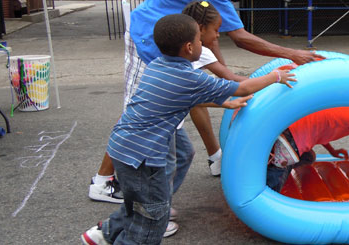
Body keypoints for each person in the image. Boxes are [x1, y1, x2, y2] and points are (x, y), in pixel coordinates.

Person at [81, 14, 296, 245]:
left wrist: (225, 103)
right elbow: (242, 88)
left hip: (123, 149)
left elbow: (185, 97)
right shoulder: (189, 77)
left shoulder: (158, 65)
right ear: (189, 46)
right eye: (200, 41)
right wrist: (276, 76)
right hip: (144, 159)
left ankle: (104, 234)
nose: (203, 44)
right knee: (151, 222)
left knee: (139, 205)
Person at [88, 0, 324, 205]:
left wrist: (225, 102)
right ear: (196, 38)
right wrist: (276, 76)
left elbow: (213, 85)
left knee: (182, 155)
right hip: (140, 146)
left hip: (137, 137)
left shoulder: (174, 61)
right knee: (163, 169)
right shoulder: (184, 74)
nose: (219, 35)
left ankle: (157, 203)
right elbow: (235, 79)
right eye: (216, 31)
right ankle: (134, 202)